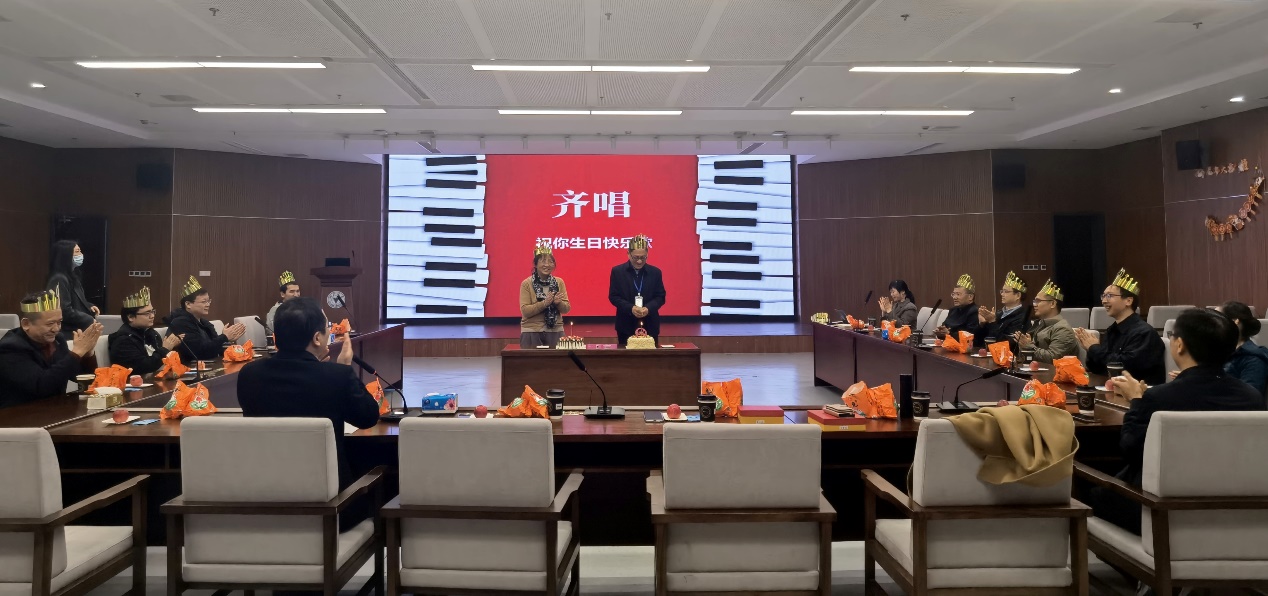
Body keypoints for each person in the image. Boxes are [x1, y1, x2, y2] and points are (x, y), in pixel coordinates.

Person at [1089, 308, 1266, 533]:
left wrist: (1137, 401)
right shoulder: (1251, 397)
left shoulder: (1160, 398)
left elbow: (1131, 450)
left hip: (1161, 511)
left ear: (1179, 345)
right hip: (1238, 510)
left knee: (1090, 485)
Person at [236, 297, 380, 532]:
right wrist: (343, 370)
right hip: (333, 511)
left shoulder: (249, 375)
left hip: (267, 505)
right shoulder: (336, 377)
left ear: (276, 337)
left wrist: (324, 369)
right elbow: (368, 417)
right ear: (317, 338)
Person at [0, 290, 101, 408]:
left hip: (55, 409)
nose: (56, 329)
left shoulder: (57, 340)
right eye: (50, 324)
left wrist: (88, 354)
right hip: (20, 414)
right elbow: (42, 387)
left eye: (59, 322)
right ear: (26, 324)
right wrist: (76, 353)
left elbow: (81, 379)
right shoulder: (10, 348)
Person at [1076, 268, 1166, 385]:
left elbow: (1123, 367)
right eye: (1103, 296)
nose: (1104, 301)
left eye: (1109, 296)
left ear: (1128, 301)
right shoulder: (1111, 330)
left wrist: (1094, 348)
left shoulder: (1144, 333)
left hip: (1139, 392)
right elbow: (1099, 369)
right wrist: (1090, 349)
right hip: (1112, 387)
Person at [165, 276, 245, 363]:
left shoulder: (204, 323)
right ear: (188, 304)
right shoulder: (180, 323)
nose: (208, 305)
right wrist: (224, 337)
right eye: (204, 302)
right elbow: (200, 353)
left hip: (209, 364)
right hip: (190, 367)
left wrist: (228, 341)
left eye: (208, 301)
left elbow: (214, 347)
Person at [108, 287, 183, 375]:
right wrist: (165, 349)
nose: (152, 316)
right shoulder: (123, 340)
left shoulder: (151, 333)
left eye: (152, 311)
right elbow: (143, 367)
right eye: (147, 313)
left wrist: (173, 346)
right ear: (131, 317)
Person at [609, 235, 666, 345]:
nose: (639, 261)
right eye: (636, 257)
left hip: (650, 324)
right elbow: (614, 296)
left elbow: (660, 297)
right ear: (628, 254)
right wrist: (631, 308)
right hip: (626, 325)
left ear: (647, 254)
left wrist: (648, 308)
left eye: (643, 257)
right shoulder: (618, 272)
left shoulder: (655, 272)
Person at [520, 242, 571, 348]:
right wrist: (545, 303)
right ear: (535, 264)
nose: (547, 265)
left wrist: (558, 303)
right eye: (543, 261)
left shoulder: (559, 282)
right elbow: (525, 311)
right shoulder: (527, 283)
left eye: (551, 261)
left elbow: (566, 309)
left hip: (556, 330)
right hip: (531, 331)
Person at [46, 240, 99, 341]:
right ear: (66, 255)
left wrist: (88, 306)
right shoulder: (59, 279)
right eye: (77, 251)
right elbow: (64, 310)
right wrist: (88, 319)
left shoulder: (73, 276)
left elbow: (75, 300)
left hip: (79, 330)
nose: (81, 255)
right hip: (68, 333)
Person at [1015, 279, 1078, 363]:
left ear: (1052, 304)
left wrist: (1028, 346)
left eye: (1038, 301)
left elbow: (1053, 358)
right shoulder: (1039, 324)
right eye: (1034, 301)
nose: (1034, 304)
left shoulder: (1063, 329)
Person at [1218, 301, 1268, 395]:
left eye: (1216, 319)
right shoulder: (1217, 352)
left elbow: (1250, 397)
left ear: (1235, 322)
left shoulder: (1253, 359)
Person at [978, 271, 1030, 348]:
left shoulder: (1022, 318)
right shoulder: (998, 313)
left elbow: (1006, 344)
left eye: (1006, 292)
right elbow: (979, 341)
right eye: (1002, 291)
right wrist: (982, 324)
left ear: (1018, 295)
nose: (1002, 294)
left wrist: (992, 322)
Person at [937, 274, 982, 339]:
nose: (954, 297)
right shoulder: (953, 310)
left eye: (958, 294)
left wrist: (949, 334)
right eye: (953, 294)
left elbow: (970, 336)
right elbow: (945, 327)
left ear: (970, 297)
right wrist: (940, 331)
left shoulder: (974, 312)